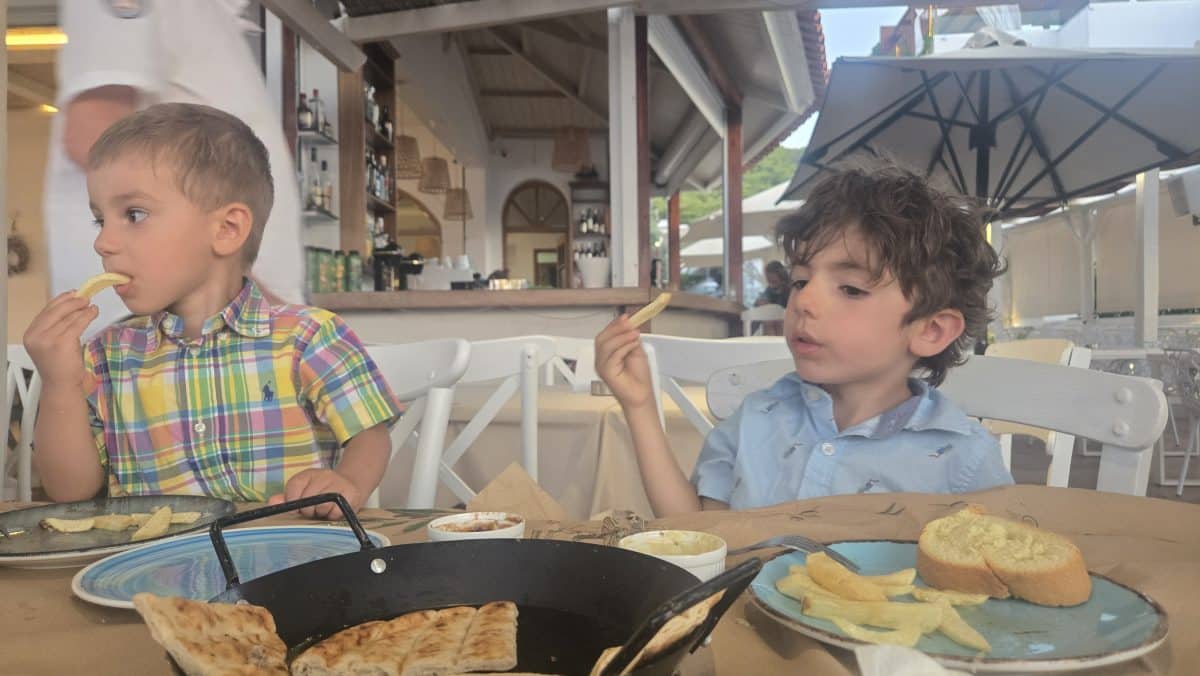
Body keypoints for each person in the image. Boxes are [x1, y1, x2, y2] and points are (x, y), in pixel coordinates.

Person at [24, 104, 402, 519]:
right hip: (153, 573)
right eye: (100, 220)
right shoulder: (105, 357)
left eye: (133, 214)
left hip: (289, 556)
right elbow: (70, 493)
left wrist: (345, 482)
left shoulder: (307, 336)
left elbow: (370, 435)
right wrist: (58, 382)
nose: (103, 243)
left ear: (226, 230)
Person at [595, 161, 1013, 516]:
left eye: (850, 289)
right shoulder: (758, 418)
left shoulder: (964, 460)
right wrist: (640, 406)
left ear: (930, 330)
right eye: (799, 280)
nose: (804, 301)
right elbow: (698, 533)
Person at [46, 0, 305, 337]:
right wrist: (242, 297)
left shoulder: (214, 15)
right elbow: (94, 134)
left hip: (219, 326)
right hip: (173, 337)